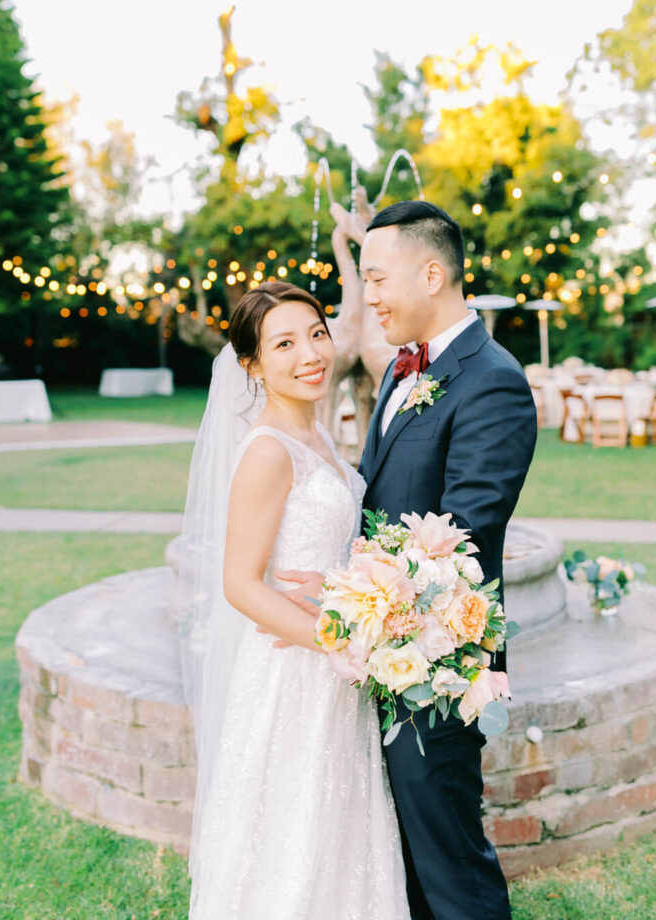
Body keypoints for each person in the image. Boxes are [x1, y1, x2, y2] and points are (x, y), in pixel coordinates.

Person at [280, 201, 537, 920]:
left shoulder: (494, 381)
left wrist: (342, 593)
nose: (368, 298)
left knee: (448, 859)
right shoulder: (400, 368)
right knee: (400, 859)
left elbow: (460, 543)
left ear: (434, 273)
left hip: (441, 661)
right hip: (384, 649)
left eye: (377, 279)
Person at [178, 281, 410, 920]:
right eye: (284, 343)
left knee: (341, 822)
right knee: (291, 832)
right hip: (295, 673)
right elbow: (241, 583)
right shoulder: (267, 451)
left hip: (340, 672)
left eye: (315, 333)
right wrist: (341, 639)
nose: (309, 353)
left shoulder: (321, 440)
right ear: (252, 365)